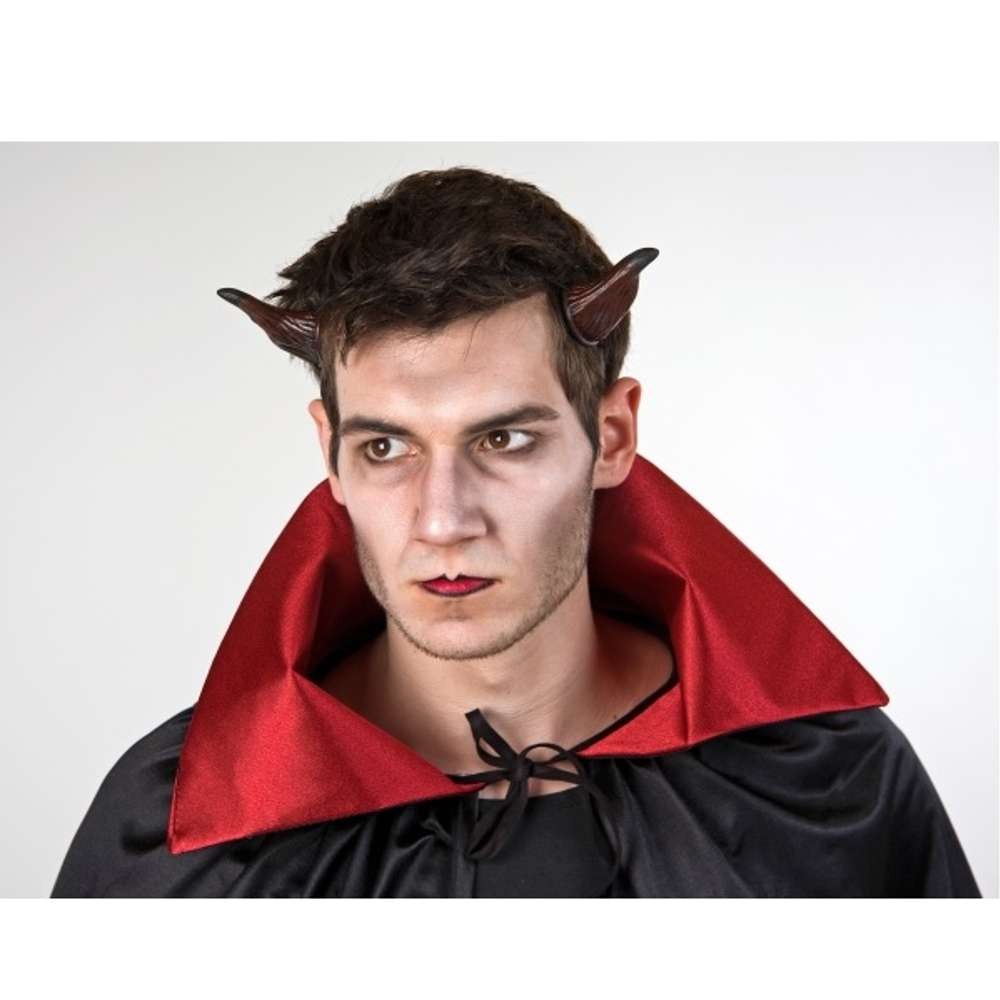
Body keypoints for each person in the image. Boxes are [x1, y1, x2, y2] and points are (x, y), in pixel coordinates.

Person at [51, 166, 980, 898]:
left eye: (503, 439)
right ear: (329, 454)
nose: (443, 518)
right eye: (386, 447)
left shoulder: (826, 780)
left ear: (610, 437)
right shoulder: (183, 826)